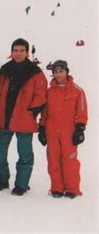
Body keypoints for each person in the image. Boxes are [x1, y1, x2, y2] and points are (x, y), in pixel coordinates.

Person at [0, 38, 47, 196]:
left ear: (27, 52)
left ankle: (22, 184)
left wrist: (32, 111)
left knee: (25, 154)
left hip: (24, 119)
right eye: (16, 50)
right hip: (4, 118)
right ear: (11, 52)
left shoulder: (35, 72)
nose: (18, 53)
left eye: (22, 50)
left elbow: (41, 94)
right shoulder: (4, 70)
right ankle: (2, 179)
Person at [39, 60, 88, 199]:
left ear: (67, 71)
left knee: (70, 160)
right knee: (53, 159)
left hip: (69, 131)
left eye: (61, 71)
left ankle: (72, 188)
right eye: (56, 72)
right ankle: (57, 187)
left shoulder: (77, 91)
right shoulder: (49, 92)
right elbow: (45, 112)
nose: (58, 74)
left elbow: (82, 110)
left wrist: (80, 128)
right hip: (52, 130)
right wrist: (42, 128)